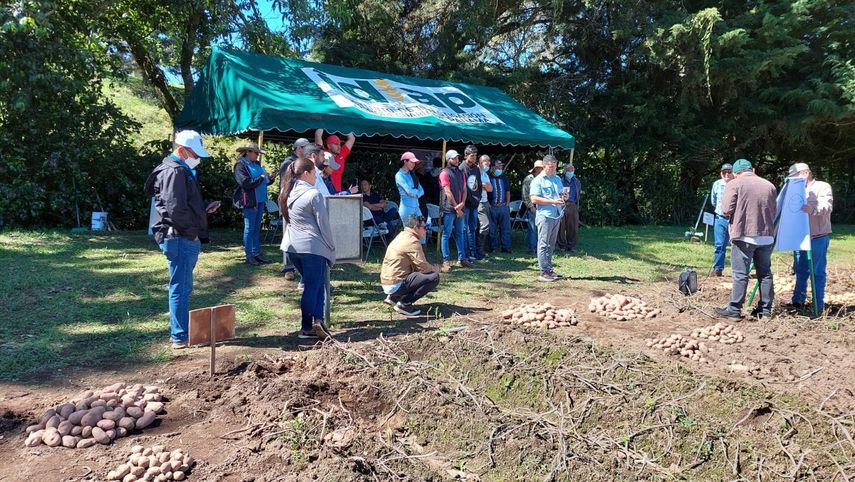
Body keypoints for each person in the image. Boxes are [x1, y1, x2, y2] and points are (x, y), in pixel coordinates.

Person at [144, 130, 221, 349]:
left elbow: (182, 204)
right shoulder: (174, 171)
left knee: (182, 285)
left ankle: (180, 333)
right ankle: (179, 336)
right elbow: (174, 208)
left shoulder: (178, 170)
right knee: (180, 286)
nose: (197, 159)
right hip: (179, 236)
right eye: (195, 153)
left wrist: (203, 210)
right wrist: (192, 232)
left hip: (181, 235)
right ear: (182, 150)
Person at [279, 157, 336, 340]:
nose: (316, 177)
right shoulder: (313, 194)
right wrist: (332, 247)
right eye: (314, 173)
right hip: (312, 246)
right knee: (313, 286)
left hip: (292, 247)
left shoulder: (287, 192)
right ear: (306, 173)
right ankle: (306, 327)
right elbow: (324, 225)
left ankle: (318, 321)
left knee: (316, 283)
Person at [714, 159, 777, 321]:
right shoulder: (769, 185)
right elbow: (774, 211)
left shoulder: (734, 184)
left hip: (744, 235)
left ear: (736, 173)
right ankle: (765, 310)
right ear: (753, 169)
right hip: (766, 236)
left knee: (740, 274)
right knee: (765, 273)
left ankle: (734, 309)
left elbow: (726, 209)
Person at [787, 163, 833, 312]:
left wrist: (812, 209)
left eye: (795, 176)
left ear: (806, 173)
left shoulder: (822, 187)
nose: (793, 180)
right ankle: (798, 301)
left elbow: (827, 206)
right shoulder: (794, 191)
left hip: (818, 237)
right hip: (800, 239)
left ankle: (818, 305)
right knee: (800, 271)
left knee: (818, 272)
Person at [380, 215, 441, 317]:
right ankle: (404, 304)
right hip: (395, 283)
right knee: (434, 277)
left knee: (418, 275)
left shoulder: (401, 235)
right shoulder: (412, 241)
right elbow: (423, 267)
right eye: (424, 228)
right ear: (415, 228)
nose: (426, 230)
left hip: (387, 282)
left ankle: (393, 297)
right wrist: (435, 269)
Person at [232, 142, 277, 266]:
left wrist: (270, 178)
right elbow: (246, 183)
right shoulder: (240, 166)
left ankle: (256, 254)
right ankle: (249, 256)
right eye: (256, 153)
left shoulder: (256, 164)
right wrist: (262, 178)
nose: (257, 155)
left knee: (256, 228)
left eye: (258, 153)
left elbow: (263, 182)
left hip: (261, 200)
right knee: (249, 228)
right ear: (248, 152)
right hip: (250, 201)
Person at [529, 155, 567, 282]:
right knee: (543, 244)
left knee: (551, 244)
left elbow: (560, 194)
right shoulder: (538, 180)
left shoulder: (557, 179)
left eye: (555, 166)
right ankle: (543, 271)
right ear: (544, 166)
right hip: (545, 215)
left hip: (556, 214)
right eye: (551, 166)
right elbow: (534, 199)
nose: (553, 169)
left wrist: (564, 196)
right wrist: (552, 201)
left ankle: (549, 269)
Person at [278, 138, 310, 279]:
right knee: (288, 234)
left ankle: (298, 265)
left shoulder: (303, 163)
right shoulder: (288, 163)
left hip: (298, 203)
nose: (307, 150)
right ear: (298, 148)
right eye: (305, 147)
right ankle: (288, 267)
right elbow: (286, 185)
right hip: (289, 203)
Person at [438, 149, 473, 271]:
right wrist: (456, 206)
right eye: (454, 158)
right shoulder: (444, 173)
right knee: (446, 234)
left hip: (459, 207)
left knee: (460, 232)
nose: (457, 160)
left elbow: (464, 189)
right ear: (448, 160)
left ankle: (462, 259)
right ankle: (446, 261)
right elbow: (447, 191)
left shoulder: (461, 173)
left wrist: (462, 204)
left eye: (457, 158)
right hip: (449, 208)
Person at [709, 163, 734, 276]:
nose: (727, 174)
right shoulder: (717, 184)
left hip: (735, 219)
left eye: (729, 172)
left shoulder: (736, 184)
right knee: (719, 245)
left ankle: (739, 270)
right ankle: (718, 268)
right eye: (724, 172)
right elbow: (713, 201)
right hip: (720, 218)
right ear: (721, 173)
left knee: (738, 245)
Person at [461, 145, 484, 261]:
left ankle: (473, 252)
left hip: (475, 203)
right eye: (472, 155)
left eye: (475, 155)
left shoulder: (476, 168)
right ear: (466, 155)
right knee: (464, 229)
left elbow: (479, 184)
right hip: (465, 203)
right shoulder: (461, 168)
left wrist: (478, 197)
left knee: (473, 228)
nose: (474, 157)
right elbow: (461, 187)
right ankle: (465, 253)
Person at [487, 158, 512, 253]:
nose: (500, 168)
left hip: (503, 206)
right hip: (492, 206)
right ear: (492, 167)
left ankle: (506, 247)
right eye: (498, 166)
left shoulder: (504, 177)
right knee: (492, 229)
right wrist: (488, 204)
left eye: (501, 166)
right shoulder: (488, 177)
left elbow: (508, 191)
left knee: (506, 228)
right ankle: (493, 247)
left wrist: (508, 203)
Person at [557, 162, 582, 252]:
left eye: (572, 170)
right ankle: (562, 246)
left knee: (573, 227)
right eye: (568, 170)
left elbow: (578, 194)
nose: (570, 171)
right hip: (561, 205)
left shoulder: (577, 182)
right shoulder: (560, 180)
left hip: (572, 205)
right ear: (564, 171)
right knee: (561, 226)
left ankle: (571, 246)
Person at [396, 152, 425, 223]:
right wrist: (416, 193)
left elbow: (422, 191)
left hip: (416, 207)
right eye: (411, 162)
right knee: (411, 232)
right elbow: (409, 191)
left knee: (422, 228)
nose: (414, 164)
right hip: (407, 208)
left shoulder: (413, 175)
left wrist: (414, 193)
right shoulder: (399, 175)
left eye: (414, 163)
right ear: (405, 161)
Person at [521, 160, 543, 255]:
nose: (542, 170)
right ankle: (532, 249)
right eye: (541, 168)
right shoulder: (528, 179)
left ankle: (541, 249)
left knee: (542, 229)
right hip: (533, 207)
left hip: (543, 206)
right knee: (533, 229)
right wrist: (530, 207)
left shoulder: (543, 178)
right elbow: (525, 195)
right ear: (537, 169)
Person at [477, 154, 493, 258]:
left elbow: (490, 189)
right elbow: (475, 185)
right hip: (478, 202)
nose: (487, 166)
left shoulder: (485, 174)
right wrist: (483, 185)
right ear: (480, 162)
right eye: (485, 163)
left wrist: (483, 185)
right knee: (484, 225)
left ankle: (481, 249)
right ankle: (478, 249)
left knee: (485, 226)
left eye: (488, 164)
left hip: (485, 201)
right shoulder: (476, 172)